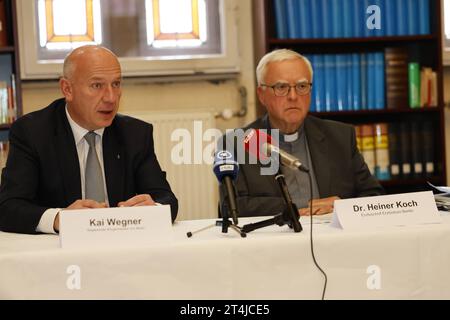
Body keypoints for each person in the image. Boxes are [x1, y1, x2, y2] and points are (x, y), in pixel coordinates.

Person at [0, 45, 178, 234]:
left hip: (121, 245)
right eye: (97, 85)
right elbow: (8, 207)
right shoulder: (32, 132)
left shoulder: (135, 134)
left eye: (116, 84)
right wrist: (60, 218)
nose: (110, 97)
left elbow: (167, 199)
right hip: (60, 253)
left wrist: (154, 209)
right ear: (67, 89)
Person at [220, 49, 384, 218]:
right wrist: (295, 207)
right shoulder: (236, 144)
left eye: (302, 86)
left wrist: (341, 205)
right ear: (262, 95)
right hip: (275, 240)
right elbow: (231, 207)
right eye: (281, 87)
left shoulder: (340, 136)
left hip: (332, 238)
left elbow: (374, 196)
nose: (293, 96)